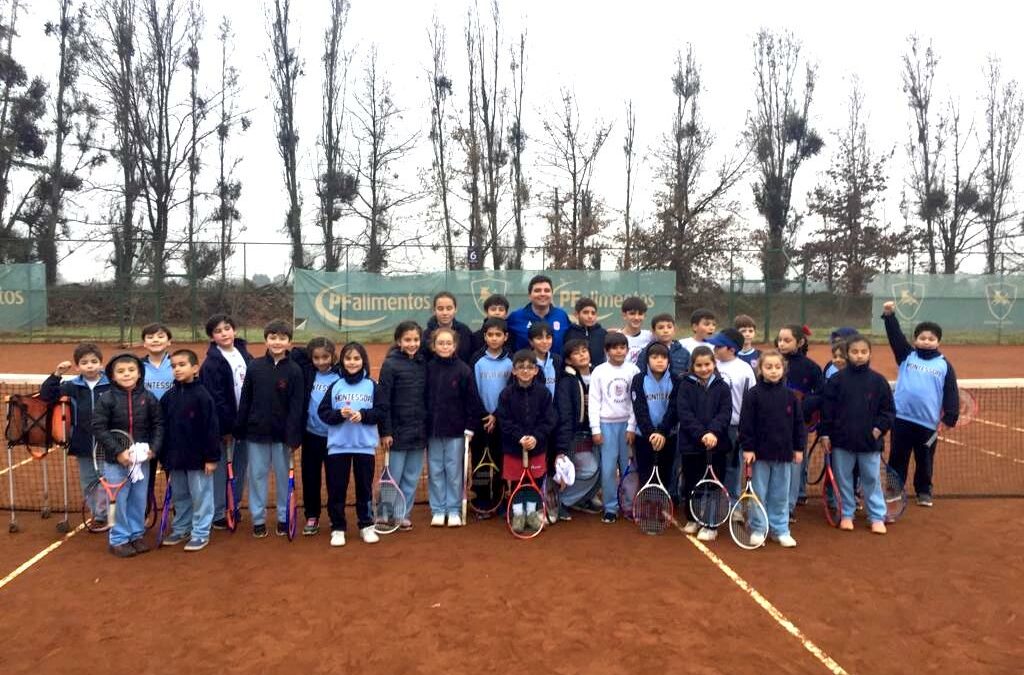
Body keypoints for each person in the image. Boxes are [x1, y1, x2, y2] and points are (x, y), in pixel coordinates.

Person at [881, 301, 959, 507]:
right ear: (915, 340)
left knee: (924, 459)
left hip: (928, 424)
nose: (926, 341)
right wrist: (889, 316)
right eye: (922, 338)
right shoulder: (907, 356)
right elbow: (895, 338)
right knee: (897, 456)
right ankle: (893, 489)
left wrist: (950, 416)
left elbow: (951, 391)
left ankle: (924, 491)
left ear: (938, 341)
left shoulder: (944, 365)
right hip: (902, 419)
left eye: (931, 338)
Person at [234, 320, 304, 538]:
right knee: (257, 476)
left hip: (283, 437)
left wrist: (293, 435)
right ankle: (258, 519)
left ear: (289, 341)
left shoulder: (294, 370)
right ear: (266, 339)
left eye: (282, 338)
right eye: (273, 337)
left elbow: (297, 406)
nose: (277, 342)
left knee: (284, 478)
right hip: (256, 434)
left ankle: (284, 518)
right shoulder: (254, 367)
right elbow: (245, 400)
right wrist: (240, 427)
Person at [819, 335, 895, 534]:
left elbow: (888, 412)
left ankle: (877, 516)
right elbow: (827, 411)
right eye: (854, 352)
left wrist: (877, 430)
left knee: (871, 478)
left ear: (869, 353)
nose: (859, 356)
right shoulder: (836, 381)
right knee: (843, 479)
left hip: (870, 443)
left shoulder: (879, 382)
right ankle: (846, 514)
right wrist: (825, 435)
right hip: (841, 442)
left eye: (863, 352)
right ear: (848, 354)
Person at [92, 353, 164, 557]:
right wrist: (118, 452)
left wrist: (153, 449)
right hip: (116, 461)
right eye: (121, 371)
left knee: (138, 498)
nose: (126, 374)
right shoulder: (106, 399)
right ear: (112, 376)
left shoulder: (148, 398)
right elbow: (99, 427)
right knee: (119, 500)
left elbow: (159, 425)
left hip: (141, 460)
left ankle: (135, 534)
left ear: (139, 373)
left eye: (131, 370)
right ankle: (118, 539)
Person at [738, 350, 806, 548]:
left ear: (783, 369)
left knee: (780, 493)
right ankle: (759, 528)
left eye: (777, 367)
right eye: (769, 367)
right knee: (758, 492)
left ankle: (780, 529)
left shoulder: (791, 397)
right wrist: (748, 448)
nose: (773, 371)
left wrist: (798, 448)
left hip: (784, 454)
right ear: (760, 369)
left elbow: (798, 424)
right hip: (759, 454)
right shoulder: (753, 395)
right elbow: (746, 424)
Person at [40, 343, 111, 529]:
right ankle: (99, 514)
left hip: (108, 443)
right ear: (78, 366)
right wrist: (57, 374)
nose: (90, 365)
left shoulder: (111, 384)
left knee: (109, 480)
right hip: (83, 441)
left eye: (94, 361)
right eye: (84, 362)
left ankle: (114, 515)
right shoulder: (72, 386)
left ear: (101, 364)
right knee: (89, 480)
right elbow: (47, 395)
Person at [318, 342, 382, 547]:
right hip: (338, 447)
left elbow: (380, 412)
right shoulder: (335, 385)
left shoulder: (372, 385)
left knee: (364, 489)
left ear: (363, 360)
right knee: (337, 489)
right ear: (342, 361)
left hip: (364, 446)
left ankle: (366, 525)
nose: (352, 362)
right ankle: (338, 528)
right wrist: (339, 414)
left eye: (356, 358)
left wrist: (362, 415)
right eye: (348, 358)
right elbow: (323, 412)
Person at [158, 349, 220, 552]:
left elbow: (211, 429)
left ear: (195, 368)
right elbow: (163, 428)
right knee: (180, 496)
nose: (177, 369)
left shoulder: (203, 396)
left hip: (199, 459)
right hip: (175, 459)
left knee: (201, 496)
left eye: (182, 365)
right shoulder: (168, 397)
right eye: (173, 366)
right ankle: (181, 528)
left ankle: (201, 532)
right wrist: (164, 455)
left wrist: (211, 458)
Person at [199, 313, 253, 530]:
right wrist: (227, 427)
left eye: (227, 328)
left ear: (234, 330)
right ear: (212, 337)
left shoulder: (244, 355)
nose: (224, 333)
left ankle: (235, 505)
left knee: (241, 465)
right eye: (218, 331)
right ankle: (219, 511)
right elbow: (215, 398)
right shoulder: (210, 364)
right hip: (225, 427)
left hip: (245, 424)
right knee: (220, 468)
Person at [496, 349, 557, 535]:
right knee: (516, 483)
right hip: (514, 449)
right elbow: (504, 421)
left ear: (536, 371)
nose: (525, 371)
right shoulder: (506, 394)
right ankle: (518, 515)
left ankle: (531, 514)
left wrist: (535, 437)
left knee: (535, 483)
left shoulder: (544, 393)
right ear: (513, 371)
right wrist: (520, 438)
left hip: (537, 448)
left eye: (530, 367)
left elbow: (549, 419)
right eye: (520, 367)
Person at [376, 320, 428, 530]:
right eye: (407, 339)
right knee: (392, 476)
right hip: (396, 432)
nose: (412, 343)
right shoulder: (390, 365)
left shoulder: (424, 363)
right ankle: (384, 513)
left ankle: (402, 514)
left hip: (419, 430)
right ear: (399, 341)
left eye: (416, 339)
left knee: (411, 475)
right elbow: (383, 401)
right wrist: (386, 431)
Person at [425, 327, 481, 527]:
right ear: (433, 346)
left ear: (455, 345)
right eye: (440, 343)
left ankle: (454, 509)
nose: (444, 346)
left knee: (454, 471)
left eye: (448, 343)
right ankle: (438, 510)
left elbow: (472, 402)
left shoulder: (463, 370)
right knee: (436, 470)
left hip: (457, 432)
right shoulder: (428, 368)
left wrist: (470, 426)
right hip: (433, 431)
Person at [675, 346, 732, 541]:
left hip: (717, 446)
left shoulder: (723, 387)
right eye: (698, 365)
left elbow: (725, 413)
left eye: (707, 364)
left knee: (714, 486)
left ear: (714, 364)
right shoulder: (685, 385)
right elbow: (684, 413)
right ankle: (693, 518)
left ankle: (711, 524)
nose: (703, 368)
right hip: (692, 445)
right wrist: (702, 434)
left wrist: (713, 433)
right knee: (692, 484)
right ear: (692, 366)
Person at [588, 331, 639, 523]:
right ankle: (610, 507)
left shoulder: (633, 370)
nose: (619, 351)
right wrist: (596, 429)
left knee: (629, 468)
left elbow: (636, 402)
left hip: (627, 426)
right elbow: (594, 401)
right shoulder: (599, 371)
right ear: (607, 350)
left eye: (622, 347)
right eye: (614, 348)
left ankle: (628, 505)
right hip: (605, 426)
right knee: (608, 468)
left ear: (627, 349)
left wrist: (632, 427)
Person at [292, 337, 340, 535]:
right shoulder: (308, 372)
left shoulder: (340, 375)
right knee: (310, 478)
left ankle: (334, 516)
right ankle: (312, 516)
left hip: (335, 438)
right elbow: (295, 352)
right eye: (316, 358)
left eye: (326, 357)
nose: (321, 362)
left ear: (334, 356)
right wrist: (312, 349)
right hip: (311, 436)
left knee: (334, 479)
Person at [776, 324, 824, 516]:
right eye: (780, 339)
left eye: (787, 340)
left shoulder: (811, 368)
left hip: (797, 425)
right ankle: (774, 503)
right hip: (772, 424)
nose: (782, 344)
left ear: (800, 342)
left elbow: (820, 394)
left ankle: (789, 506)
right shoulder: (771, 361)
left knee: (796, 462)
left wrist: (801, 409)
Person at [469, 317, 513, 516]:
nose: (494, 339)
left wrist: (496, 415)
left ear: (506, 337)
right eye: (490, 335)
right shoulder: (476, 360)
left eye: (498, 335)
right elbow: (472, 391)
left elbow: (511, 391)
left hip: (503, 422)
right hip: (481, 422)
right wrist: (485, 415)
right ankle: (482, 500)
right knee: (480, 462)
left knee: (502, 461)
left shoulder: (512, 360)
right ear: (484, 336)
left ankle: (502, 499)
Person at [553, 339, 601, 518]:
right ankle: (562, 501)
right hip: (577, 434)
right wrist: (563, 446)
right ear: (568, 360)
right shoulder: (567, 381)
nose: (582, 354)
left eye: (584, 350)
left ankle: (583, 499)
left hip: (599, 432)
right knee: (589, 470)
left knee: (603, 470)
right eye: (576, 353)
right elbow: (565, 414)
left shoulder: (599, 373)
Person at [708, 328, 756, 503]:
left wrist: (745, 427)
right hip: (712, 426)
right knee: (713, 465)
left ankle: (732, 504)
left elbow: (751, 401)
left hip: (734, 426)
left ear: (731, 349)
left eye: (719, 346)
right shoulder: (711, 366)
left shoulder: (745, 370)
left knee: (733, 468)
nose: (715, 349)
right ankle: (713, 504)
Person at [630, 343, 678, 497]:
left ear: (669, 360)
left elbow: (674, 409)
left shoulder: (676, 380)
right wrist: (651, 433)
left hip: (668, 436)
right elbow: (640, 409)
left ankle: (662, 505)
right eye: (654, 357)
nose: (659, 361)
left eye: (663, 357)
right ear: (647, 360)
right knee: (645, 472)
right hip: (644, 437)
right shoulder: (638, 380)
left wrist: (662, 432)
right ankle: (646, 505)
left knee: (665, 472)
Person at [506, 274, 571, 353]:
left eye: (547, 290)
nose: (542, 294)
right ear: (529, 295)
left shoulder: (561, 316)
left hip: (556, 365)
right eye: (537, 290)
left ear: (552, 295)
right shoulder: (515, 317)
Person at [422, 291, 475, 364]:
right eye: (440, 309)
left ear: (455, 309)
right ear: (434, 310)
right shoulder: (427, 335)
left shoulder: (465, 331)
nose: (445, 313)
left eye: (449, 308)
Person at [638, 313, 690, 380]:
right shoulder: (646, 352)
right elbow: (640, 374)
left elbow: (689, 375)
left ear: (674, 330)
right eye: (661, 328)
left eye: (669, 327)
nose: (665, 331)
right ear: (653, 332)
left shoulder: (684, 353)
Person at [564, 297, 608, 368]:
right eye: (585, 312)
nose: (590, 316)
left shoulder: (602, 333)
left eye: (593, 313)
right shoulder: (569, 333)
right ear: (576, 314)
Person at [529, 321, 562, 396]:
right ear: (531, 341)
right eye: (539, 338)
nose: (544, 342)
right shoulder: (526, 361)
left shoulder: (557, 360)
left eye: (548, 337)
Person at [620, 296, 652, 365]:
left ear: (645, 316)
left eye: (640, 314)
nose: (636, 318)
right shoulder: (616, 337)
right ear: (624, 315)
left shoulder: (650, 336)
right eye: (632, 313)